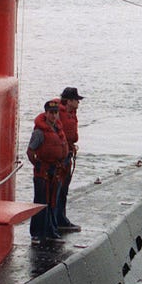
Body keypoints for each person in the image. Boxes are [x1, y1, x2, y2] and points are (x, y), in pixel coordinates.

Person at [26, 99, 69, 243]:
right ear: (46, 113)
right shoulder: (39, 131)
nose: (54, 115)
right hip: (43, 172)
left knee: (53, 203)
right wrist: (37, 165)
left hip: (55, 172)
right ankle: (36, 233)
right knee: (40, 202)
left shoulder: (58, 128)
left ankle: (51, 231)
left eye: (56, 113)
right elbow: (30, 151)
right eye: (51, 113)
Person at [55, 87, 84, 232]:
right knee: (59, 190)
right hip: (62, 157)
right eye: (77, 100)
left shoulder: (68, 113)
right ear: (70, 101)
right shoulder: (61, 114)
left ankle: (60, 219)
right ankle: (58, 221)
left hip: (67, 153)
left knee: (62, 190)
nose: (79, 103)